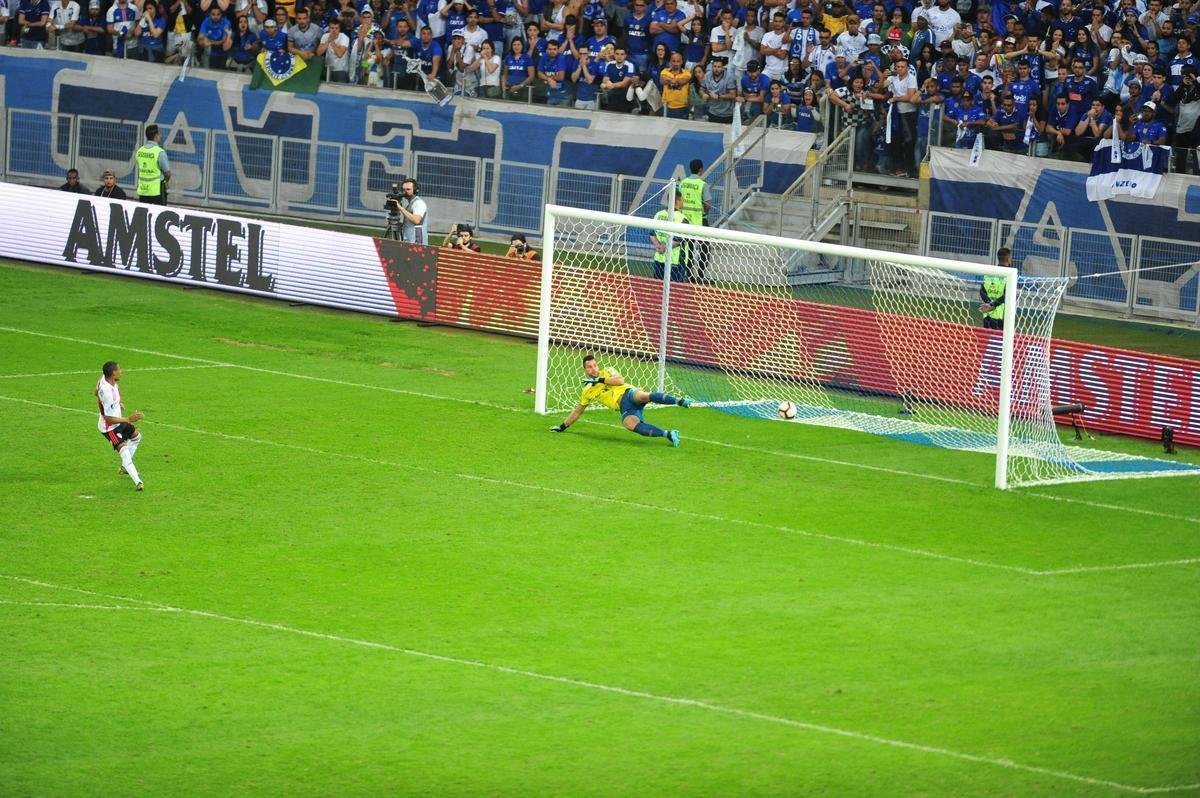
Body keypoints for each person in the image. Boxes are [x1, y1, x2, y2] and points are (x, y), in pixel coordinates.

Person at [549, 353, 691, 448]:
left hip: (628, 394)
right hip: (625, 408)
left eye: (594, 365)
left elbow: (620, 380)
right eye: (589, 367)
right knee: (629, 424)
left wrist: (600, 379)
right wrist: (562, 426)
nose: (593, 369)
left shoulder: (608, 371)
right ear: (584, 370)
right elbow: (578, 411)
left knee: (642, 396)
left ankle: (679, 401)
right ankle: (669, 434)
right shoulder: (587, 391)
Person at [96, 361, 145, 491]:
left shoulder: (104, 379)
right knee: (124, 452)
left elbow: (101, 390)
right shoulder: (106, 393)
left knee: (137, 437)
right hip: (109, 427)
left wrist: (120, 402)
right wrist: (128, 419)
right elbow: (108, 418)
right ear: (113, 373)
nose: (121, 371)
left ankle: (124, 467)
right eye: (119, 370)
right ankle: (138, 482)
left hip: (119, 420)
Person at [678, 157, 711, 281]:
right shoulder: (702, 184)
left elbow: (679, 200)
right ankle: (701, 275)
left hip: (685, 219)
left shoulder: (683, 183)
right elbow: (707, 203)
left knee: (688, 248)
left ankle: (689, 274)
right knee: (705, 247)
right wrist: (704, 214)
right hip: (700, 220)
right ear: (701, 170)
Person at [650, 189, 687, 282]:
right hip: (675, 261)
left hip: (659, 258)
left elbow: (652, 233)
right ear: (678, 201)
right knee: (675, 289)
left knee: (657, 287)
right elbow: (680, 239)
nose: (683, 202)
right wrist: (665, 247)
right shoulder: (682, 218)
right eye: (682, 199)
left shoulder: (658, 214)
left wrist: (658, 246)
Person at [135, 124, 171, 204]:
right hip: (157, 190)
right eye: (159, 134)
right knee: (159, 213)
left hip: (143, 189)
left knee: (144, 213)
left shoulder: (140, 151)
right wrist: (166, 181)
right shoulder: (159, 152)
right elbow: (168, 173)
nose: (160, 136)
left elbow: (139, 164)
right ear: (156, 135)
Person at [979, 247, 1013, 330]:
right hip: (1002, 317)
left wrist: (988, 303)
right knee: (1000, 342)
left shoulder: (990, 273)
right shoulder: (1010, 275)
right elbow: (1006, 296)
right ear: (1008, 259)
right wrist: (992, 305)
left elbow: (982, 291)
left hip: (987, 315)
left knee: (987, 339)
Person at [397, 178, 428, 244]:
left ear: (415, 190)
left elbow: (416, 220)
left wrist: (401, 208)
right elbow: (410, 224)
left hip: (417, 243)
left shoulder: (419, 203)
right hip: (409, 241)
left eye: (408, 189)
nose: (405, 192)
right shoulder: (411, 203)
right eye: (404, 190)